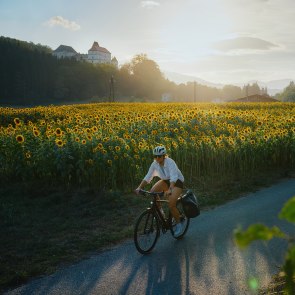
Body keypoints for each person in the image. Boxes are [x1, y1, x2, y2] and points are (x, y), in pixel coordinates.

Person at [135, 146, 185, 237]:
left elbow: (174, 176)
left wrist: (170, 189)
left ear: (164, 156)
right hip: (165, 181)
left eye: (159, 156)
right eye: (155, 156)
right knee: (153, 192)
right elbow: (148, 176)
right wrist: (139, 187)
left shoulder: (170, 162)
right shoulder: (154, 164)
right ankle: (160, 212)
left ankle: (179, 224)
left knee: (171, 203)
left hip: (177, 182)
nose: (157, 158)